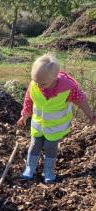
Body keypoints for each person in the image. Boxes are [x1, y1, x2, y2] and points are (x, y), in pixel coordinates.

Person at [17, 53, 95, 183]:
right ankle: (29, 169)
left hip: (55, 127)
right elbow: (28, 101)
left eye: (43, 83)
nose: (39, 85)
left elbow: (81, 101)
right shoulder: (34, 85)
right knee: (34, 144)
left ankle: (48, 171)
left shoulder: (68, 88)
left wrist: (90, 114)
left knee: (50, 146)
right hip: (38, 125)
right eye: (35, 81)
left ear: (55, 78)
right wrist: (24, 116)